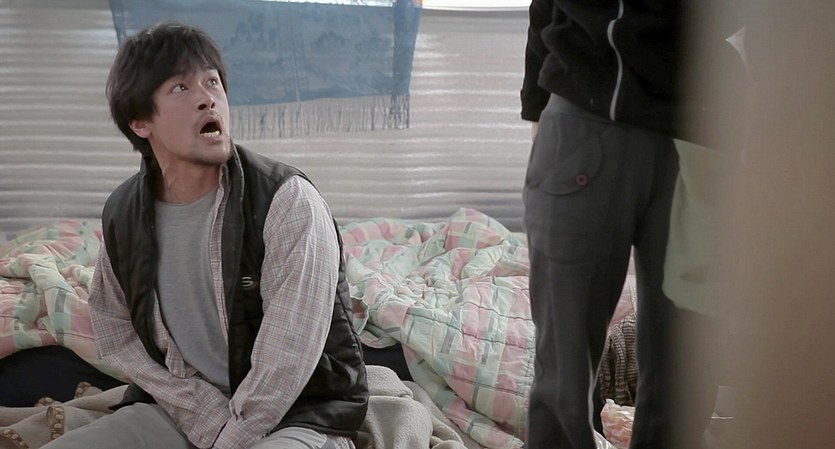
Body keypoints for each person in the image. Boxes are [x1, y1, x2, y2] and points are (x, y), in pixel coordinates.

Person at [42, 22, 368, 449]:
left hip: (297, 412)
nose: (207, 97)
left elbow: (288, 359)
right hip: (184, 412)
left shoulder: (286, 200)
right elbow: (116, 332)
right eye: (180, 87)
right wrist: (195, 408)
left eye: (212, 81)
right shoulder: (124, 214)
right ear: (140, 122)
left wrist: (228, 436)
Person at [520, 1, 745, 448]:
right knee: (567, 363)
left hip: (695, 128)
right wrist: (538, 108)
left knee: (683, 364)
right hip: (592, 116)